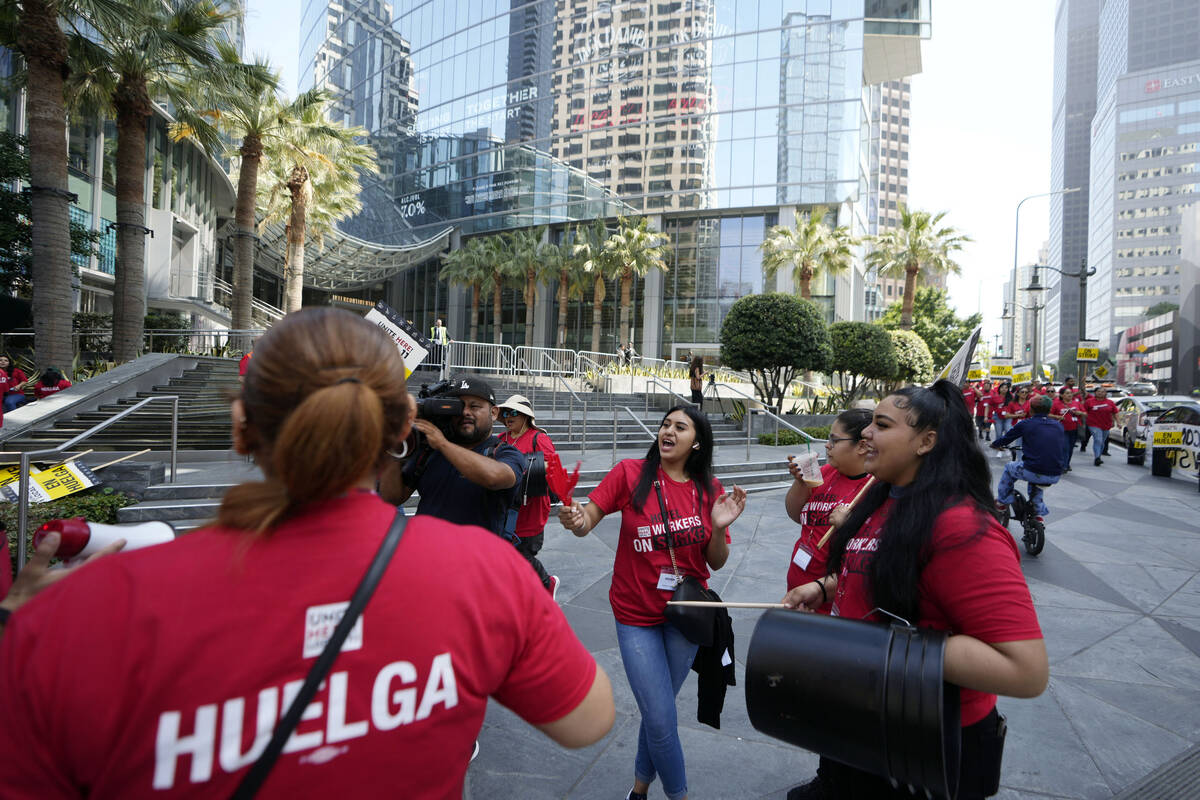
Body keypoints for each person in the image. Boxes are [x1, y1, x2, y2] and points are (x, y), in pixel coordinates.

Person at [0, 308, 615, 797]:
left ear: (242, 425)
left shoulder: (77, 620)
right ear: (402, 423)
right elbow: (587, 721)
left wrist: (20, 629)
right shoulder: (486, 576)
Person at [781, 381, 1047, 800]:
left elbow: (1026, 670)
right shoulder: (883, 500)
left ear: (927, 442)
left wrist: (877, 643)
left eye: (882, 425)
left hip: (927, 742)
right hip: (866, 720)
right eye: (870, 423)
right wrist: (825, 587)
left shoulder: (962, 527)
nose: (866, 433)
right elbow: (884, 576)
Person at [559, 405, 746, 800]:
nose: (668, 431)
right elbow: (588, 518)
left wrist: (718, 527)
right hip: (636, 615)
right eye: (665, 425)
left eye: (680, 427)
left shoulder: (708, 488)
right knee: (661, 716)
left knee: (656, 712)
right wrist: (578, 520)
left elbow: (716, 560)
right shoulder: (630, 473)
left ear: (696, 442)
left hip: (687, 615)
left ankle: (639, 790)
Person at [380, 375, 526, 538]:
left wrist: (443, 444)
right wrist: (394, 449)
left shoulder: (504, 452)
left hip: (476, 559)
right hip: (424, 555)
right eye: (459, 406)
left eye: (474, 406)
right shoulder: (429, 450)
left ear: (493, 412)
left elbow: (495, 477)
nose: (465, 412)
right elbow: (390, 497)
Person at [784, 409, 872, 606]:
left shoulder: (872, 488)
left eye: (834, 440)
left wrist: (848, 525)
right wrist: (800, 482)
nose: (827, 445)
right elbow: (796, 514)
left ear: (862, 446)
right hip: (799, 586)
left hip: (829, 599)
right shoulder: (826, 471)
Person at [497, 393, 560, 598]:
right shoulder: (500, 440)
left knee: (522, 554)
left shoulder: (538, 438)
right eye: (506, 412)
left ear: (525, 415)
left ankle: (546, 583)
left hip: (530, 510)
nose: (508, 416)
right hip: (505, 509)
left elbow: (555, 470)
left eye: (514, 412)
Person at [991, 394, 1065, 519]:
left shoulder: (1026, 424)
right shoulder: (1058, 425)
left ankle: (1002, 502)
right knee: (1037, 475)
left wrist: (995, 445)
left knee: (1010, 467)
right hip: (1056, 474)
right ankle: (1038, 514)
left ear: (1030, 409)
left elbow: (1006, 439)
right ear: (1049, 410)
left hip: (1034, 471)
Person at [1050, 386, 1086, 471]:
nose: (1070, 395)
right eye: (1067, 393)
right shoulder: (1056, 403)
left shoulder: (1076, 403)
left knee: (1070, 448)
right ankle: (1063, 466)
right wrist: (1057, 416)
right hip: (1062, 429)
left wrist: (1079, 412)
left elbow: (1085, 414)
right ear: (1062, 395)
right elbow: (1048, 414)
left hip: (1074, 429)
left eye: (1070, 393)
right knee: (1065, 447)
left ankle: (1067, 463)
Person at [1083, 386, 1118, 466]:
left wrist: (1117, 422)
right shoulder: (1089, 401)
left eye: (1102, 392)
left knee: (1102, 442)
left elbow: (1115, 412)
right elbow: (1084, 411)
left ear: (1105, 393)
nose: (1100, 393)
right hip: (1093, 424)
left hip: (1106, 424)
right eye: (1098, 391)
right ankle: (1097, 458)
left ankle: (1099, 455)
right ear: (1095, 393)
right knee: (1098, 439)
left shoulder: (1110, 402)